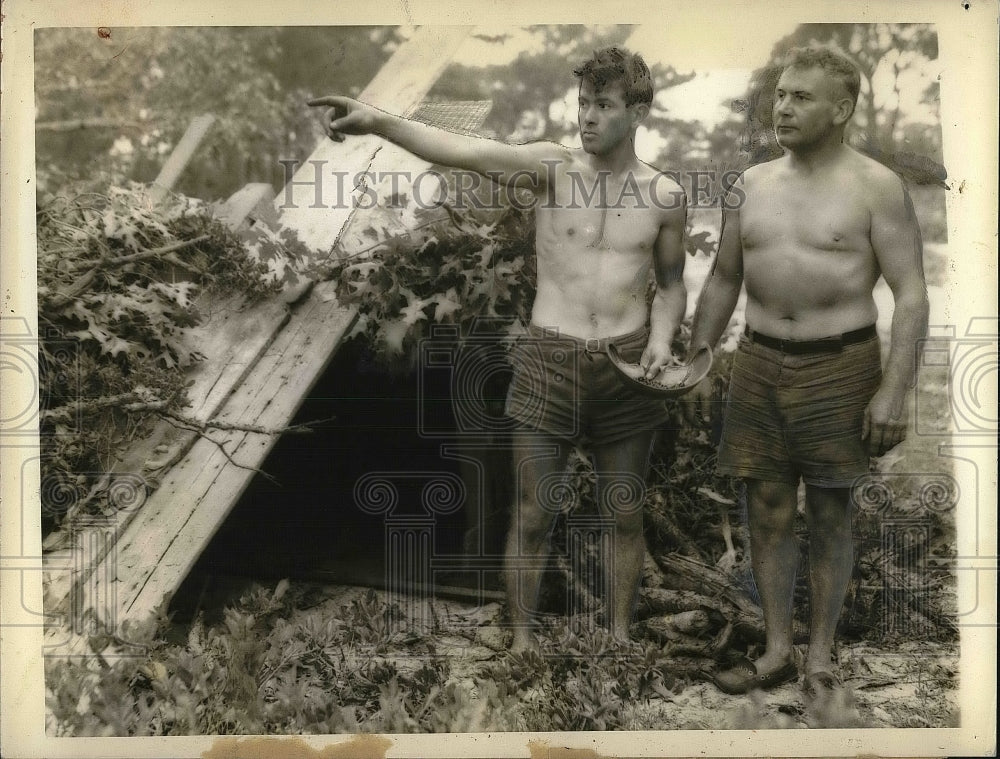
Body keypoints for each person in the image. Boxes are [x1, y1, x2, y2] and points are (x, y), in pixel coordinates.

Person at [309, 47, 687, 653]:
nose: (588, 117)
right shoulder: (550, 169)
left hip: (626, 364)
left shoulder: (665, 196)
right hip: (548, 357)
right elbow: (462, 149)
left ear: (638, 111)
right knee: (534, 510)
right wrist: (379, 120)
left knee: (623, 510)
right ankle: (522, 642)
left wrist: (662, 343)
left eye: (605, 106)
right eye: (584, 103)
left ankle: (618, 640)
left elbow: (670, 286)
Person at [684, 46, 929, 697]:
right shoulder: (752, 184)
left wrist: (894, 391)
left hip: (841, 365)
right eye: (781, 94)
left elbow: (910, 293)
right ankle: (776, 650)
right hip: (759, 361)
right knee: (764, 505)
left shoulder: (876, 186)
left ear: (842, 108)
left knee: (828, 510)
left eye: (801, 97)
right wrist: (700, 359)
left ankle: (820, 657)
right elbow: (723, 280)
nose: (782, 106)